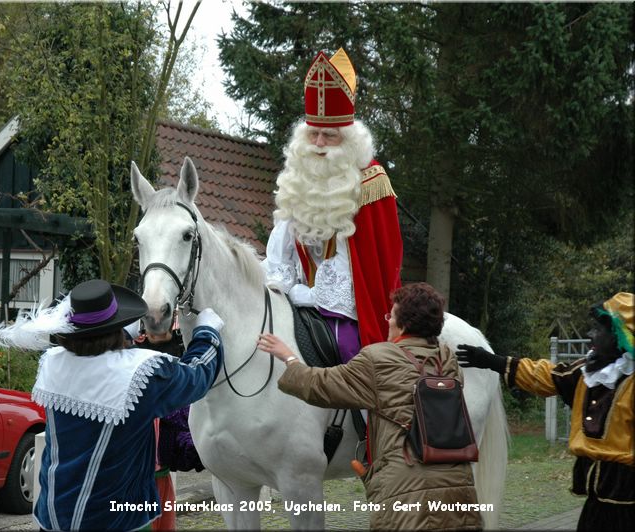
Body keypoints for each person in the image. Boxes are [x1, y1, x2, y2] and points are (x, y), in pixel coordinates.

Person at [0, 279, 223, 531]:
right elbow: (197, 375)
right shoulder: (141, 373)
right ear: (116, 327)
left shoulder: (53, 361)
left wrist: (121, 337)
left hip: (54, 513)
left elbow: (96, 357)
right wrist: (207, 332)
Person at [257, 282, 482, 531]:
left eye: (391, 315)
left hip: (405, 493)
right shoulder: (446, 360)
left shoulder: (378, 358)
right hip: (458, 490)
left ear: (404, 324)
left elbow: (321, 385)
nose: (387, 321)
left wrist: (288, 357)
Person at [262, 47, 403, 364]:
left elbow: (371, 265)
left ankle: (367, 415)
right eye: (314, 134)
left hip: (348, 312)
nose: (320, 144)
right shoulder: (298, 178)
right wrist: (277, 287)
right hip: (294, 302)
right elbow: (280, 250)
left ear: (349, 139)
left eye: (330, 136)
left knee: (352, 359)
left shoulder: (370, 182)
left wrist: (312, 296)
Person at [457, 292, 634, 531]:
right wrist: (492, 361)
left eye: (599, 329)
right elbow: (546, 376)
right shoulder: (587, 372)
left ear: (620, 337)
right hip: (597, 495)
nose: (590, 334)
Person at [123, 323, 206, 531]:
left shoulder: (168, 398)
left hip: (161, 478)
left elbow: (182, 434)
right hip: (131, 484)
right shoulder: (122, 384)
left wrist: (206, 451)